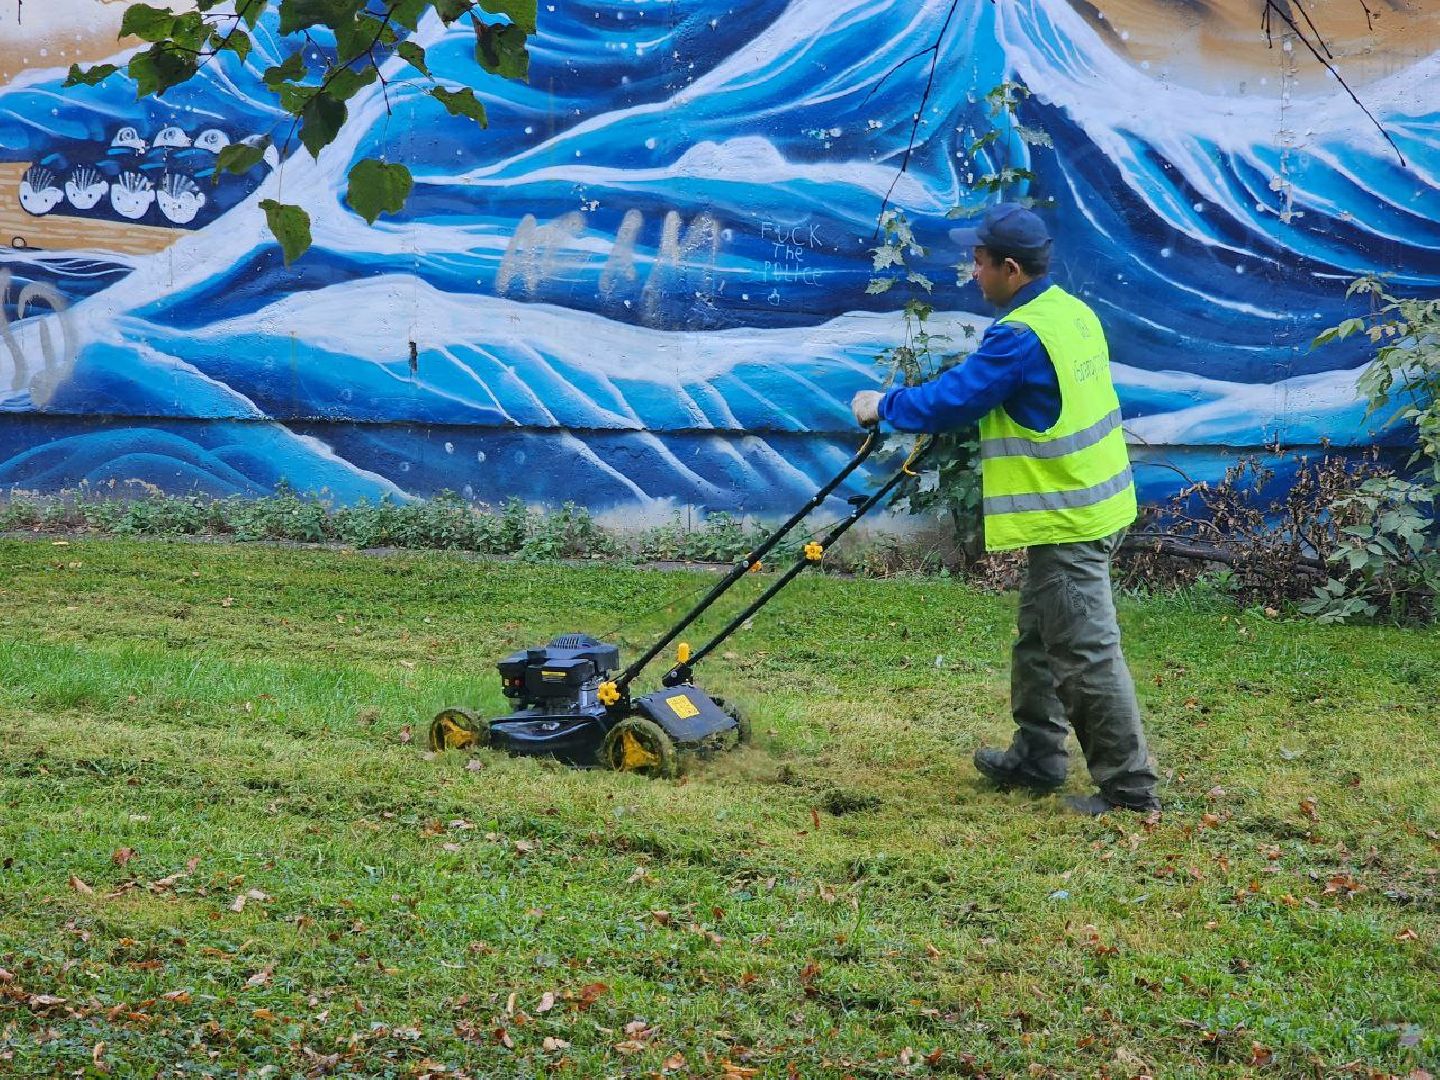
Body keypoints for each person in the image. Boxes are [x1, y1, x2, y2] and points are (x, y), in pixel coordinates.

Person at [851, 203, 1160, 816]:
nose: (973, 272)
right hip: (1099, 502)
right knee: (1040, 641)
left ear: (1011, 269)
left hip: (1071, 517)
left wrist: (883, 406)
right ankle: (1038, 759)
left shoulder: (1019, 336)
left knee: (1085, 654)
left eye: (980, 261)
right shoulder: (1070, 314)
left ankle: (1129, 792)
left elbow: (955, 398)